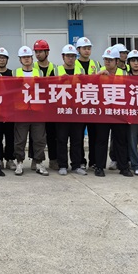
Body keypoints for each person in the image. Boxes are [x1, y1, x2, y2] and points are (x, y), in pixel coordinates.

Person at [13, 45, 48, 176]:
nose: (26, 59)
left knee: (39, 139)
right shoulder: (15, 73)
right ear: (20, 59)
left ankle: (39, 163)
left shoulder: (39, 72)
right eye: (24, 57)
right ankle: (19, 162)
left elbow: (45, 90)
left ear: (32, 58)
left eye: (28, 57)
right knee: (20, 139)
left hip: (37, 111)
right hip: (21, 111)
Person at [97, 46, 131, 177]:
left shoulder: (124, 74)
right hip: (103, 112)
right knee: (101, 140)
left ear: (117, 61)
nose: (107, 62)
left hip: (119, 113)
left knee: (120, 141)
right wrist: (97, 76)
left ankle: (123, 167)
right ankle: (99, 167)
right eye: (106, 59)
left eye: (110, 60)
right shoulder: (99, 72)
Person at [55, 45, 86, 176]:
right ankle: (62, 165)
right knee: (61, 139)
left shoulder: (81, 71)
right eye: (68, 56)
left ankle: (76, 165)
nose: (70, 58)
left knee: (77, 140)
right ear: (63, 57)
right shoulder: (57, 70)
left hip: (77, 111)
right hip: (62, 111)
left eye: (73, 56)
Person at [75, 37, 100, 170]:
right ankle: (80, 161)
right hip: (78, 105)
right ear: (78, 50)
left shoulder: (96, 64)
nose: (87, 50)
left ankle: (94, 161)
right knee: (78, 136)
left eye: (89, 48)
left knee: (94, 135)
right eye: (84, 48)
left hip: (93, 104)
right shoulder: (73, 64)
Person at [33, 39, 56, 170]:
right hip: (37, 106)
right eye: (36, 52)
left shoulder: (55, 68)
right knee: (36, 136)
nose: (38, 54)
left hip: (51, 107)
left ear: (47, 52)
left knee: (52, 134)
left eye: (40, 51)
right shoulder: (32, 68)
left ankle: (53, 159)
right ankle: (35, 159)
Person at [0, 47, 16, 170]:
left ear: (7, 59)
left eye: (3, 58)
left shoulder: (13, 74)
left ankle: (10, 159)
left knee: (10, 137)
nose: (1, 60)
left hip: (10, 112)